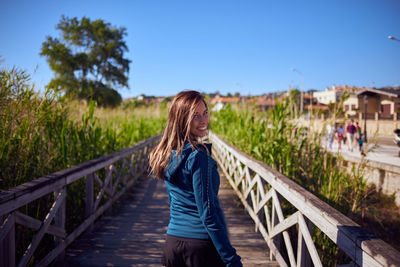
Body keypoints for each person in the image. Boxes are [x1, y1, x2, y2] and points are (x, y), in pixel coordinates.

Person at [149, 90, 242, 267]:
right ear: (182, 120)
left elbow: (173, 202)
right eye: (195, 116)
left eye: (205, 113)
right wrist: (231, 259)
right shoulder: (199, 158)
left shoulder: (168, 155)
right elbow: (208, 213)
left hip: (173, 244)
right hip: (199, 248)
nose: (204, 120)